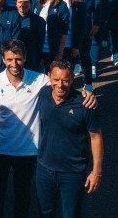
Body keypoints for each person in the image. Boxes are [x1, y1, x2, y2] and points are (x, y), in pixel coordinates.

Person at [0, 40, 97, 218]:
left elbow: (62, 84)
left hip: (28, 151)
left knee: (22, 198)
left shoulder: (40, 80)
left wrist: (86, 93)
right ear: (3, 59)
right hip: (0, 152)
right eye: (9, 59)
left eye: (18, 59)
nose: (14, 64)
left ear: (25, 58)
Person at [35, 61, 103, 218]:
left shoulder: (85, 104)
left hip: (72, 173)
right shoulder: (43, 94)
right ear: (49, 78)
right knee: (45, 213)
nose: (60, 85)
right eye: (56, 80)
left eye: (65, 80)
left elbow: (96, 137)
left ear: (72, 79)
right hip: (44, 169)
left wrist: (96, 172)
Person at [31, 0, 70, 73]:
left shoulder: (62, 6)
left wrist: (60, 53)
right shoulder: (35, 2)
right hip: (36, 48)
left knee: (52, 76)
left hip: (52, 49)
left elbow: (64, 32)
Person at [57, 0, 89, 87]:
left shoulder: (79, 1)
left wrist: (76, 46)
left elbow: (82, 26)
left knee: (67, 74)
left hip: (70, 43)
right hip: (56, 42)